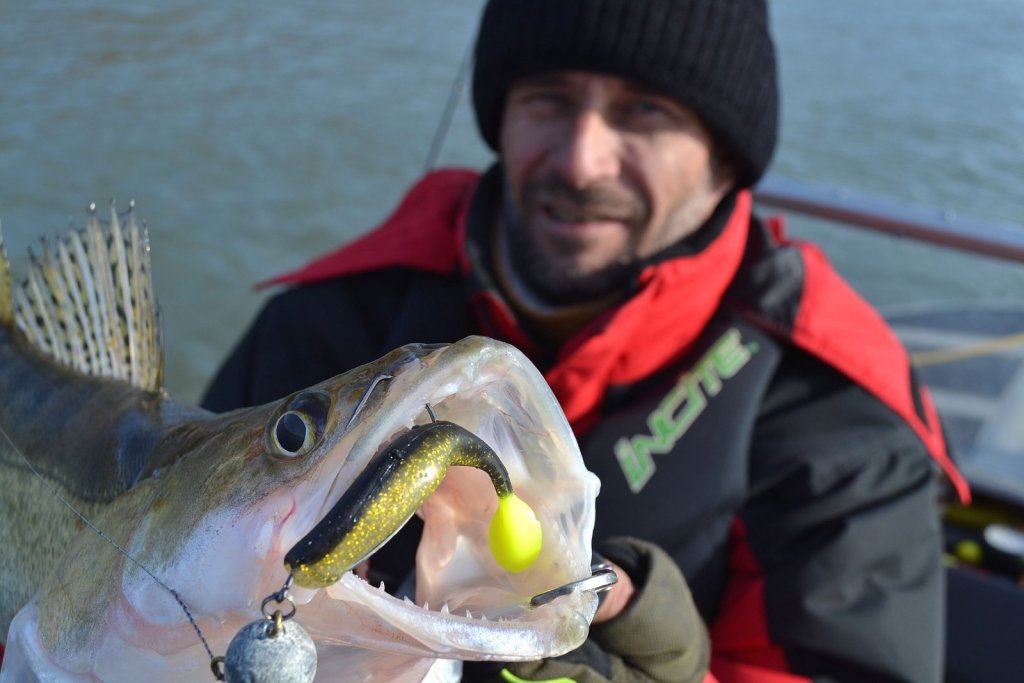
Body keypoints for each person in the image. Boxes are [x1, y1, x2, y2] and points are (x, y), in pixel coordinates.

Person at [203, 0, 970, 681]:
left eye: (645, 112)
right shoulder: (327, 328)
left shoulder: (839, 417)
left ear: (725, 156)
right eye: (549, 98)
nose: (580, 159)